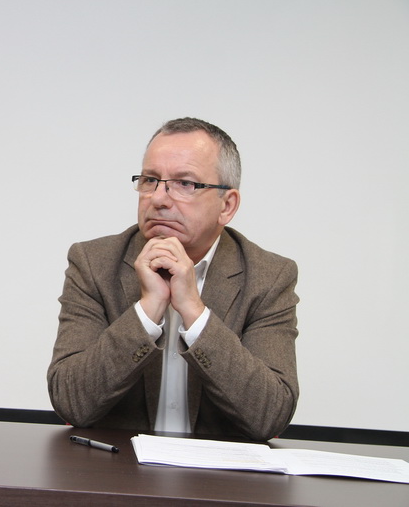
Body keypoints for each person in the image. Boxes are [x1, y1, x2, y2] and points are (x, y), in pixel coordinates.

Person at [47, 117, 298, 441]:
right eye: (150, 180)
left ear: (227, 205)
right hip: (117, 475)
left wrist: (194, 311)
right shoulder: (94, 264)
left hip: (220, 483)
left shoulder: (268, 277)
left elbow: (270, 415)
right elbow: (71, 403)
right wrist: (147, 309)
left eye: (185, 184)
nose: (159, 198)